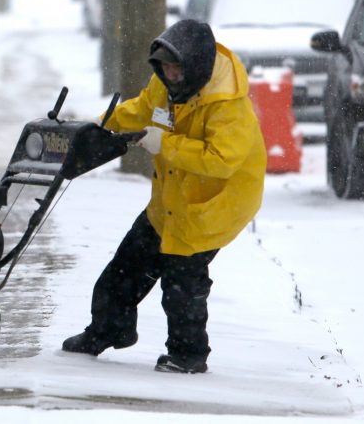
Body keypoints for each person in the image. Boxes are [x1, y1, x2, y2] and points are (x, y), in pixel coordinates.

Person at [62, 19, 267, 373]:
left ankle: (188, 356)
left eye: (177, 69)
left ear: (197, 66)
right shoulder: (165, 86)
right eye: (165, 68)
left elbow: (221, 160)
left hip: (214, 204)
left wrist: (164, 144)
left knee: (182, 284)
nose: (170, 76)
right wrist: (99, 125)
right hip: (170, 199)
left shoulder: (227, 106)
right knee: (126, 266)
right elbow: (141, 109)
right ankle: (108, 329)